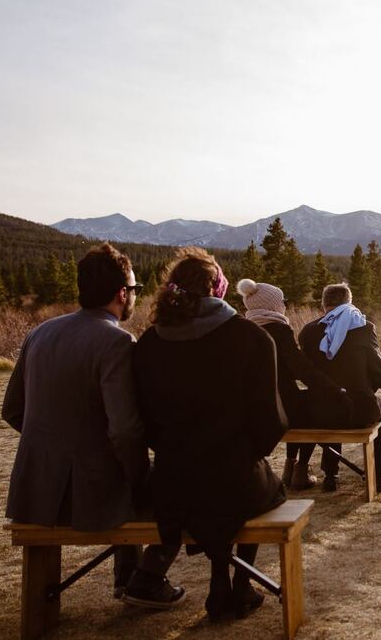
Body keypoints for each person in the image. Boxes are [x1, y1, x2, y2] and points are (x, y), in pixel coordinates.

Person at [2, 243, 183, 608]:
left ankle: (126, 578)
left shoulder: (39, 334)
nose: (135, 296)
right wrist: (138, 478)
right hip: (88, 497)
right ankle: (144, 581)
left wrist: (58, 449)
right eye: (134, 290)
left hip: (34, 491)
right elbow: (125, 431)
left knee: (119, 468)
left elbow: (12, 410)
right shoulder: (116, 341)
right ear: (122, 293)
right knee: (171, 488)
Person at [134, 248, 287, 621]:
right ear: (218, 289)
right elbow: (271, 424)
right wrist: (245, 450)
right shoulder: (251, 338)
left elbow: (145, 422)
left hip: (172, 483)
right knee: (266, 486)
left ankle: (227, 579)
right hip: (234, 478)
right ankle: (235, 584)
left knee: (229, 486)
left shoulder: (150, 344)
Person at [238, 277, 345, 491]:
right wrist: (333, 389)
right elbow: (302, 369)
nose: (284, 305)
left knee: (299, 404)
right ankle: (300, 470)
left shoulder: (241, 332)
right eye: (282, 301)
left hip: (250, 408)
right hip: (279, 408)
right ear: (272, 305)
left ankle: (290, 466)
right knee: (311, 407)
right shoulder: (278, 331)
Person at [299, 283, 381, 493]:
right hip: (357, 410)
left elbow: (306, 372)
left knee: (332, 404)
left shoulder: (308, 332)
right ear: (349, 302)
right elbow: (379, 371)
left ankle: (331, 475)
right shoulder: (363, 327)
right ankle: (380, 474)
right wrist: (366, 389)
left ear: (324, 304)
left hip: (319, 412)